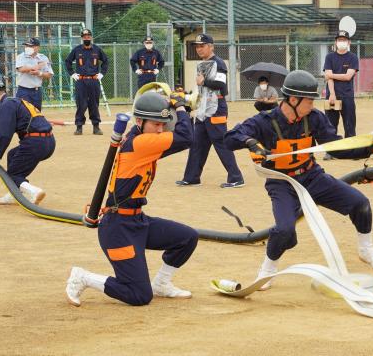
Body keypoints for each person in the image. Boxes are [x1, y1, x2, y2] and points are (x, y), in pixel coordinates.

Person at [224, 70, 373, 290]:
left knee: (360, 204)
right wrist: (250, 141)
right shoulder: (264, 121)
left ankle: (366, 248)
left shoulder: (314, 118)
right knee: (284, 231)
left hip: (312, 176)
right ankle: (268, 269)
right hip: (282, 183)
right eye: (309, 100)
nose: (312, 105)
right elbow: (229, 138)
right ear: (293, 100)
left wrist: (368, 148)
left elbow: (335, 147)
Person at [66, 92, 199, 307]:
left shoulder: (140, 138)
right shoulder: (141, 143)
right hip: (118, 230)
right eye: (156, 124)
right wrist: (181, 107)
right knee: (139, 295)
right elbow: (186, 137)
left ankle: (162, 284)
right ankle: (83, 277)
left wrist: (176, 107)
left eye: (163, 124)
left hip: (137, 222)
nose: (160, 129)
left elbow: (182, 139)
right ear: (139, 121)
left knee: (187, 237)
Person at [176, 33, 244, 188]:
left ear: (211, 46)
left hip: (216, 109)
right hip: (202, 109)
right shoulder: (201, 64)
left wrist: (204, 81)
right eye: (197, 46)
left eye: (202, 46)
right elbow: (201, 88)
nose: (199, 49)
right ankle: (192, 177)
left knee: (221, 142)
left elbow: (222, 86)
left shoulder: (218, 63)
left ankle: (236, 177)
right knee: (197, 144)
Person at [0, 76, 55, 205]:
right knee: (12, 155)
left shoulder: (5, 106)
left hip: (35, 143)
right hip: (48, 142)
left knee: (13, 175)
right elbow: (1, 134)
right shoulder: (14, 101)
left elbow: (4, 135)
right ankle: (14, 193)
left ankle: (33, 191)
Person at [65, 29, 108, 136]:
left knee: (94, 103)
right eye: (84, 36)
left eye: (88, 36)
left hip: (94, 80)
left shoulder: (97, 50)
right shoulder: (77, 50)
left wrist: (102, 73)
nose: (87, 38)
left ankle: (96, 127)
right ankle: (79, 127)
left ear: (91, 37)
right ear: (82, 38)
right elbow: (68, 61)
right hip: (81, 81)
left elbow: (106, 61)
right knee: (81, 103)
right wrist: (72, 74)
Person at [323, 30, 359, 140]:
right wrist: (332, 94)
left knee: (349, 125)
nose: (341, 42)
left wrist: (331, 75)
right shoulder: (329, 57)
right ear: (335, 42)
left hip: (347, 96)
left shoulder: (353, 58)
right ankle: (331, 151)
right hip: (332, 96)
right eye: (339, 40)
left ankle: (351, 149)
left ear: (349, 42)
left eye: (344, 40)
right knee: (330, 125)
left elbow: (348, 76)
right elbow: (328, 78)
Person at [15, 37, 54, 110]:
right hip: (23, 90)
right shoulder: (20, 57)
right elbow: (21, 69)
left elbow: (50, 74)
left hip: (37, 91)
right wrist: (36, 66)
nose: (27, 48)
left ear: (37, 47)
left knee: (37, 115)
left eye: (30, 46)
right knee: (23, 114)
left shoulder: (43, 58)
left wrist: (39, 73)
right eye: (26, 46)